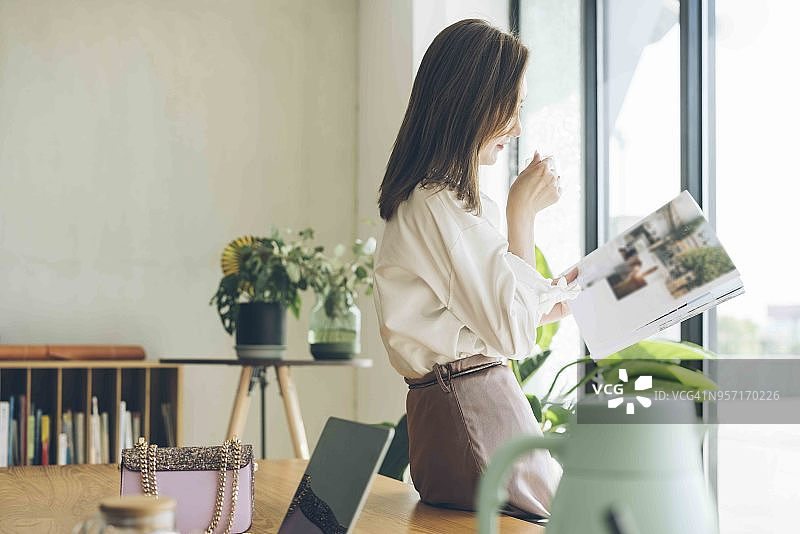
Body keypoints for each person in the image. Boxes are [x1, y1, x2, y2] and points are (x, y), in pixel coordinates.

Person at [372, 19, 580, 519]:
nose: (517, 127)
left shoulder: (443, 205)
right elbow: (512, 333)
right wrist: (522, 214)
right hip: (474, 410)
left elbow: (490, 317)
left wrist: (561, 298)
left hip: (464, 411)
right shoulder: (438, 207)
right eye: (513, 107)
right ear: (473, 102)